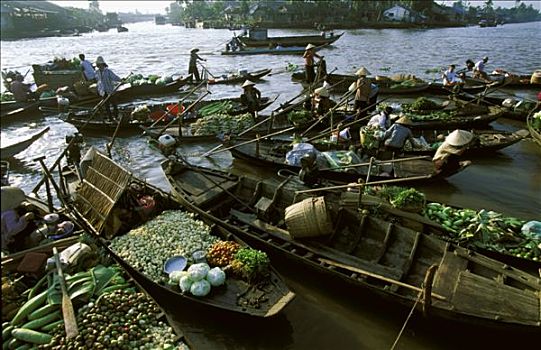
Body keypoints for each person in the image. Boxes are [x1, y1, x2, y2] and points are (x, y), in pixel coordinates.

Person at [1, 186, 35, 254]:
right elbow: (13, 230)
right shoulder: (9, 213)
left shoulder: (3, 211)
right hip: (9, 241)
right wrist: (25, 218)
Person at [94, 56, 121, 121]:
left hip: (110, 91)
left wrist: (121, 80)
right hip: (103, 91)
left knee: (114, 105)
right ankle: (110, 118)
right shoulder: (97, 72)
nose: (100, 66)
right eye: (99, 65)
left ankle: (116, 117)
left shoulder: (108, 71)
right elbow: (98, 82)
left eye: (101, 64)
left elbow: (115, 77)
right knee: (106, 106)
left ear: (103, 64)